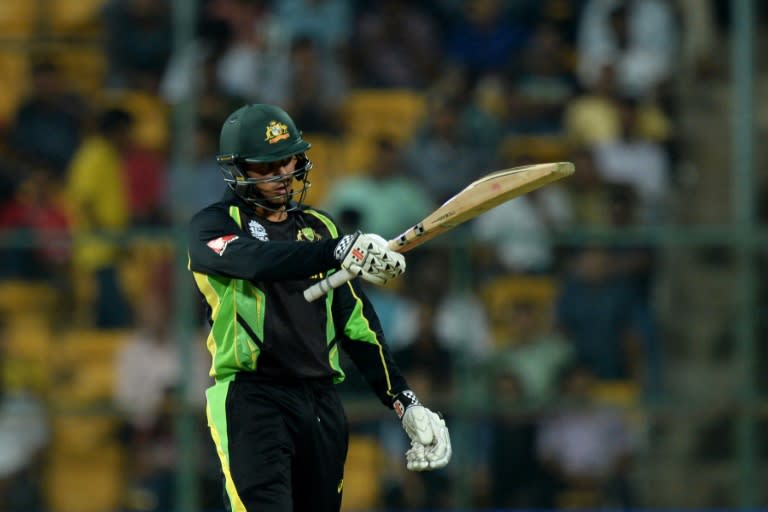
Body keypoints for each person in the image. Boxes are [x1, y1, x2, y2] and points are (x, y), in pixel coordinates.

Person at [187, 103, 452, 512]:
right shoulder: (214, 226)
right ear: (237, 168)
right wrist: (336, 251)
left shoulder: (321, 226)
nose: (282, 175)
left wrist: (404, 400)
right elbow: (256, 260)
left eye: (288, 160)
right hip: (253, 399)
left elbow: (357, 326)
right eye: (266, 166)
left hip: (323, 403)